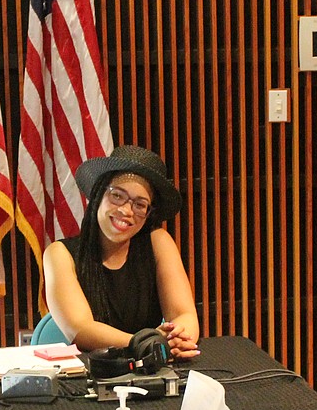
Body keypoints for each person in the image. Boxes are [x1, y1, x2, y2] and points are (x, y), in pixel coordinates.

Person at [43, 145, 201, 359]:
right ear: (98, 195)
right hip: (89, 375)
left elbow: (184, 314)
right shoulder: (59, 254)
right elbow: (80, 330)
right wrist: (148, 343)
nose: (126, 211)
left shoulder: (158, 242)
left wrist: (179, 338)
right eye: (117, 196)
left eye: (140, 204)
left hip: (149, 369)